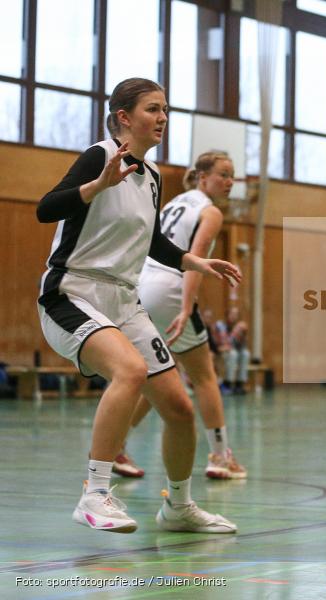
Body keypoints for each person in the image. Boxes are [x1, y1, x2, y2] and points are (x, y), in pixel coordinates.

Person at [36, 77, 240, 534]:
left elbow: (150, 241)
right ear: (124, 117)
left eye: (166, 109)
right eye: (152, 109)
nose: (163, 117)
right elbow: (46, 209)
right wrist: (95, 185)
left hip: (124, 300)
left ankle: (178, 507)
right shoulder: (99, 156)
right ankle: (93, 496)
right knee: (128, 371)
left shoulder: (150, 179)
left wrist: (193, 260)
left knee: (179, 409)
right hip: (72, 292)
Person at [113, 151, 246, 481]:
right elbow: (196, 259)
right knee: (204, 376)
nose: (229, 182)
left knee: (158, 375)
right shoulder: (210, 211)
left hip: (141, 285)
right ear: (203, 177)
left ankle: (114, 445)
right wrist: (187, 308)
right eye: (223, 174)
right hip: (170, 288)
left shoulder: (173, 204)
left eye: (232, 176)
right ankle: (220, 456)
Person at [217, 307, 250, 394]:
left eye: (236, 314)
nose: (233, 316)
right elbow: (225, 343)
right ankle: (228, 383)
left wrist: (243, 336)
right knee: (233, 354)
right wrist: (235, 332)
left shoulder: (240, 327)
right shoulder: (220, 325)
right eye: (232, 314)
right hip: (222, 352)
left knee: (245, 354)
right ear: (227, 315)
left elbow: (242, 347)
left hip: (234, 351)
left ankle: (239, 383)